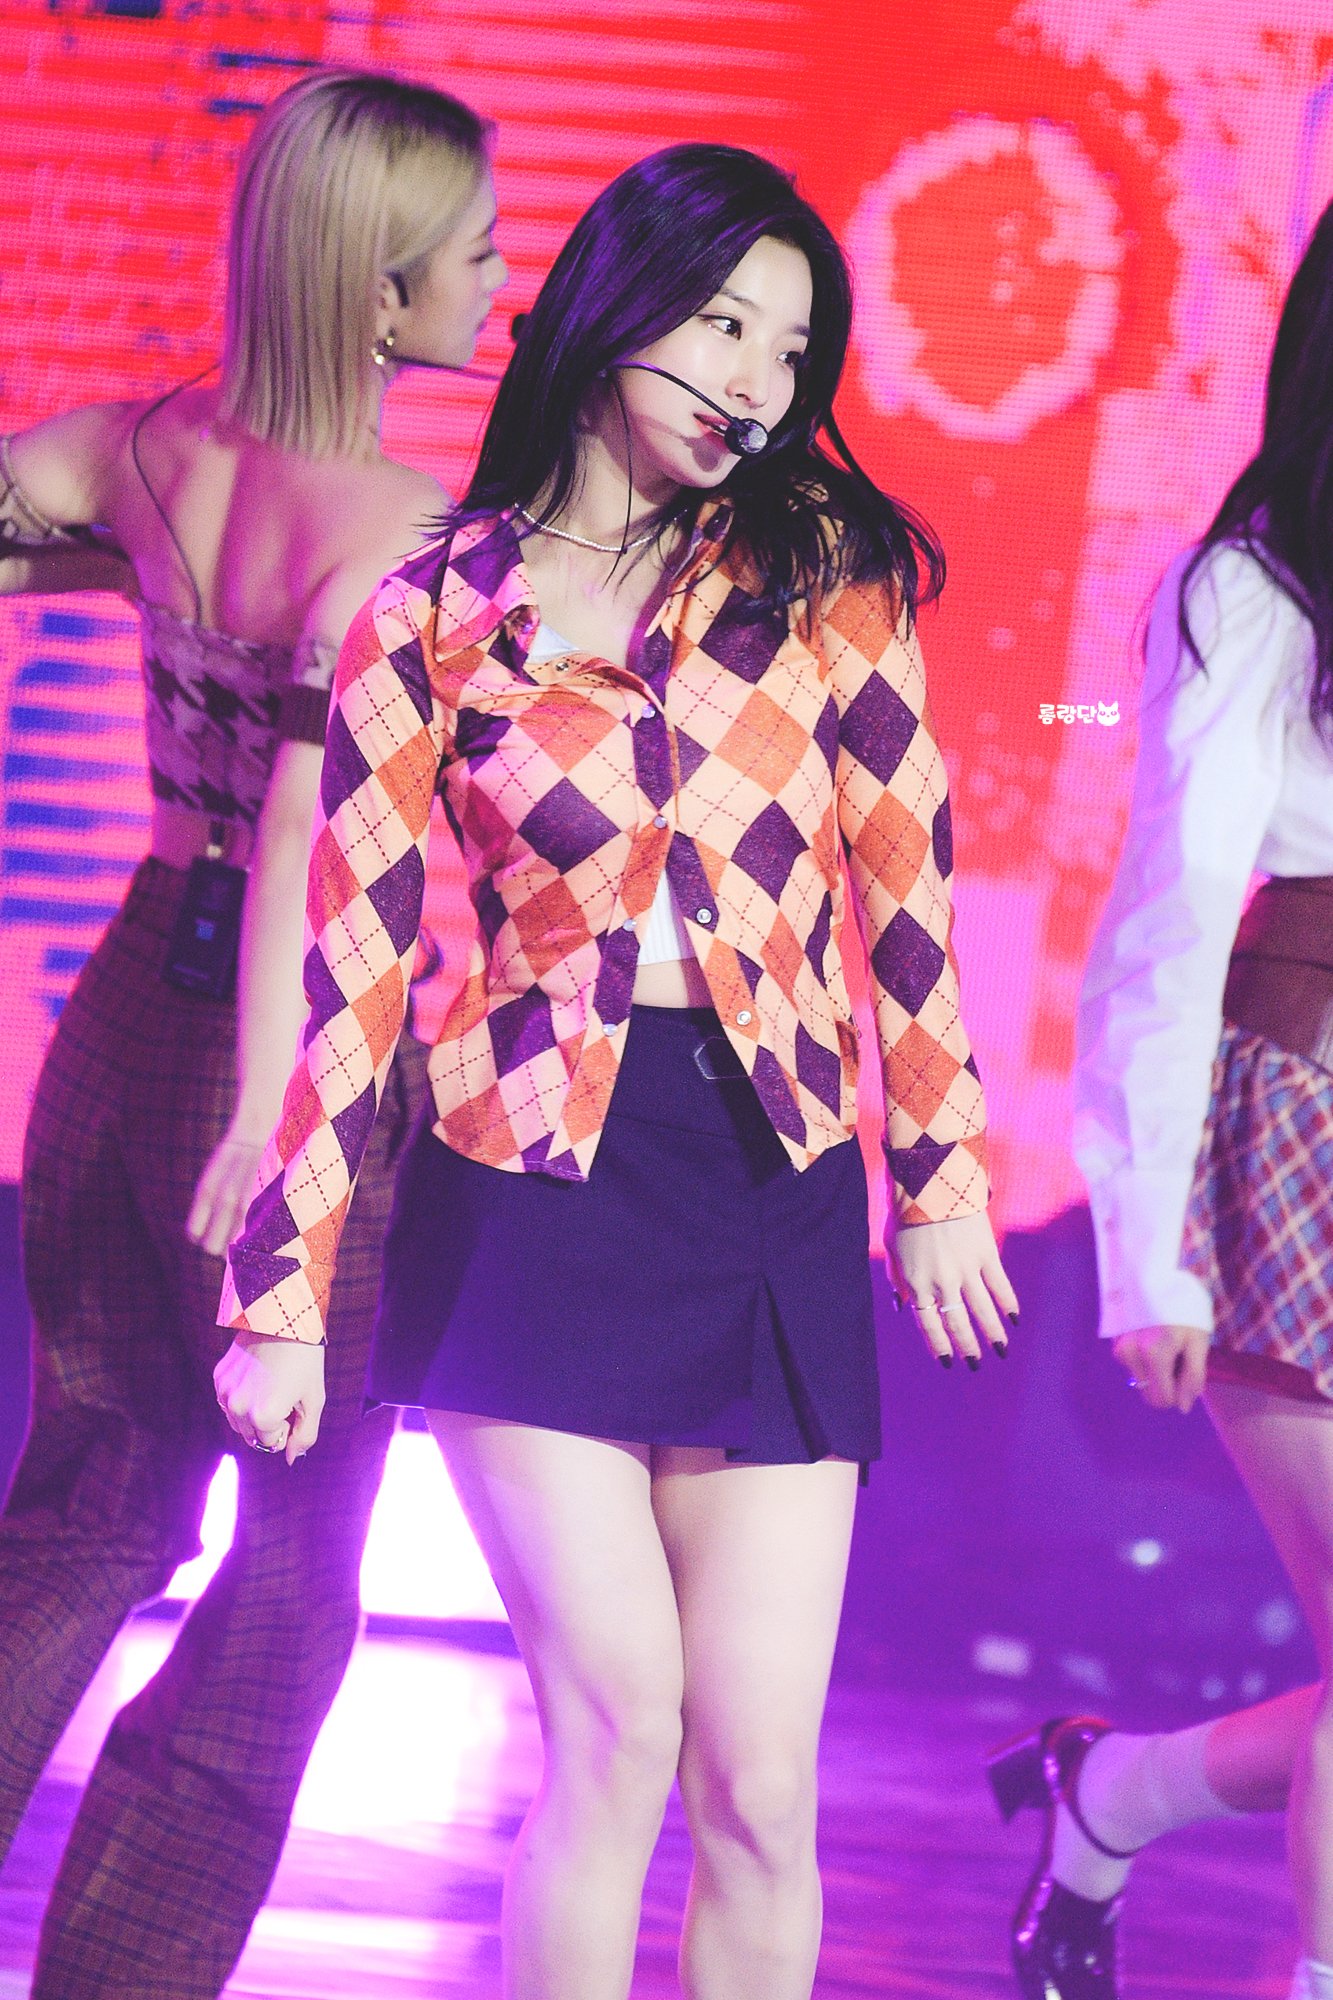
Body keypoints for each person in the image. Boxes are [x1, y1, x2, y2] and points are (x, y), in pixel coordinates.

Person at [215, 141, 1017, 2000]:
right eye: (723, 325)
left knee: (759, 1791)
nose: (757, 382)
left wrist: (941, 1175)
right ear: (614, 307)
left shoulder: (824, 584)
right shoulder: (432, 614)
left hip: (770, 1190)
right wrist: (280, 1296)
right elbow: (353, 977)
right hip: (529, 1201)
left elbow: (903, 892)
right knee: (619, 1725)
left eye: (791, 350)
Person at [0, 67, 505, 2000]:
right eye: (472, 253)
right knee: (286, 1587)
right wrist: (279, 1120)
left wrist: (79, 557)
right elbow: (311, 829)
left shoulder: (143, 451)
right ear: (381, 291)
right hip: (293, 1028)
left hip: (129, 993)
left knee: (90, 1503)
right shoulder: (404, 530)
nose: (495, 283)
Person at [988, 196, 1333, 2000]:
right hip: (1304, 1118)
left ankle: (1106, 1793)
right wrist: (1147, 1253)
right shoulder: (1253, 591)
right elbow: (1168, 925)